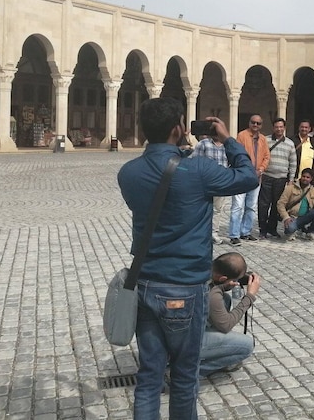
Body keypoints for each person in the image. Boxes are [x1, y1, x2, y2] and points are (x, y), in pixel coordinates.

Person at [118, 98, 258, 419]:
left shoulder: (129, 173)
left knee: (149, 377)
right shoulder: (197, 169)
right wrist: (226, 139)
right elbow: (248, 177)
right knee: (183, 377)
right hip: (185, 288)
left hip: (146, 283)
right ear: (179, 129)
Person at [200, 253, 260, 376]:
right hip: (185, 340)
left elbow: (218, 286)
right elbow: (226, 325)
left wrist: (225, 285)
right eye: (235, 280)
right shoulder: (212, 295)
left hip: (176, 330)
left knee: (226, 299)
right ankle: (186, 372)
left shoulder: (204, 269)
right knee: (247, 345)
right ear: (222, 278)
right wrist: (249, 297)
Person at [229, 114, 270, 244]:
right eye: (253, 122)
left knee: (251, 206)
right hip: (242, 176)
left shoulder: (263, 139)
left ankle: (245, 232)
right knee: (238, 206)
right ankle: (234, 234)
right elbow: (237, 153)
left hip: (256, 178)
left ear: (261, 125)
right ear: (249, 123)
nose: (255, 125)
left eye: (258, 123)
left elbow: (267, 156)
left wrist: (261, 169)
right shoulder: (242, 136)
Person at [258, 117, 297, 239]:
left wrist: (291, 179)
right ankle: (262, 229)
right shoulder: (266, 140)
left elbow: (293, 162)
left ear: (284, 128)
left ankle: (272, 228)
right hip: (267, 176)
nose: (279, 129)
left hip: (281, 179)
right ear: (273, 128)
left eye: (281, 127)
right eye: (276, 127)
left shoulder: (290, 143)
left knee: (277, 205)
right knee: (264, 204)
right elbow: (261, 156)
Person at [191, 132, 230, 245]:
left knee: (217, 209)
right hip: (204, 183)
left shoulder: (226, 146)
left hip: (220, 183)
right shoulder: (203, 144)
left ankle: (214, 233)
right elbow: (195, 162)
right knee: (202, 208)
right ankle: (200, 233)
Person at [277, 168, 314, 242]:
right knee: (290, 228)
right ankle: (292, 232)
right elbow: (280, 204)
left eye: (308, 177)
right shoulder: (290, 188)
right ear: (301, 176)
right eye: (304, 176)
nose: (305, 179)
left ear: (311, 179)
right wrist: (286, 217)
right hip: (292, 217)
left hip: (306, 216)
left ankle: (310, 232)